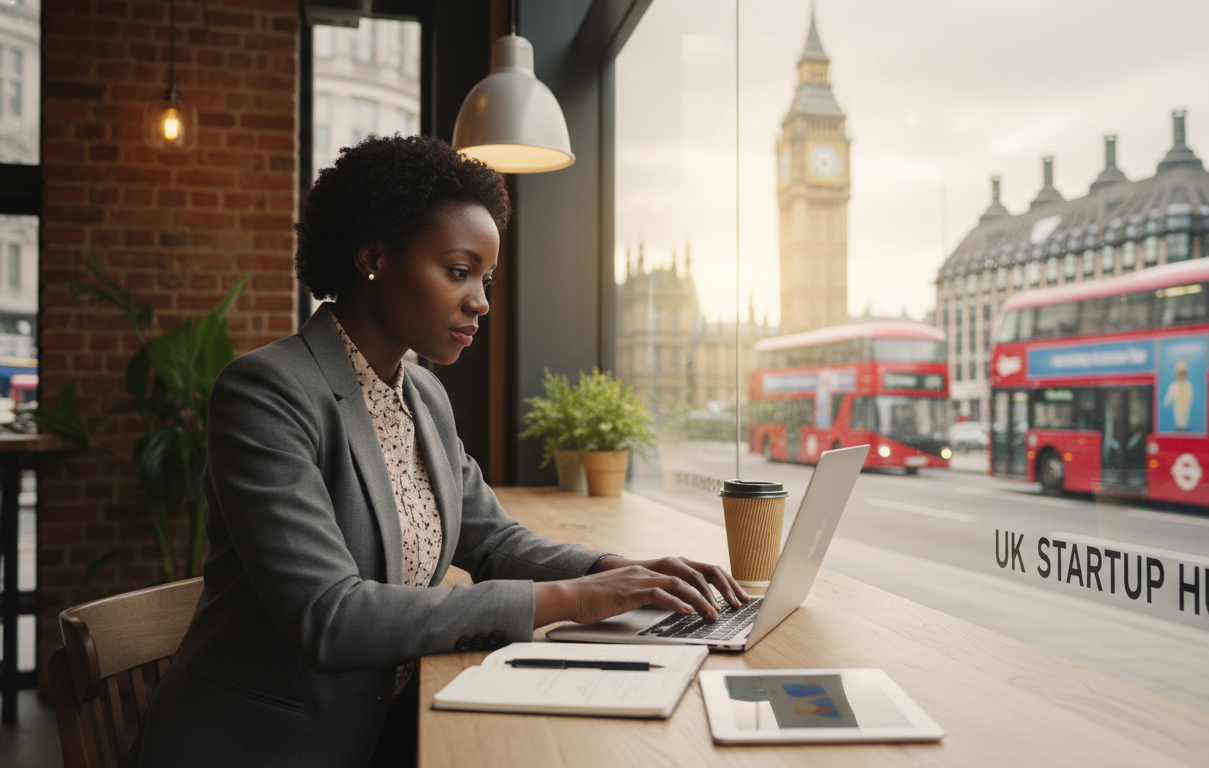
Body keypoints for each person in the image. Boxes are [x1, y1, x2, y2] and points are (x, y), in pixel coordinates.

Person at [127, 135, 747, 768]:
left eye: (486, 278)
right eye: (458, 271)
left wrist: (621, 572)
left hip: (384, 730)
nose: (480, 300)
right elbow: (330, 615)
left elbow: (493, 542)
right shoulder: (267, 392)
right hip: (266, 748)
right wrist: (573, 601)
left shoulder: (422, 394)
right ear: (374, 257)